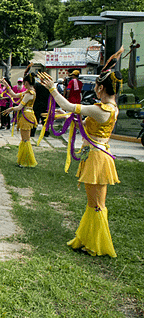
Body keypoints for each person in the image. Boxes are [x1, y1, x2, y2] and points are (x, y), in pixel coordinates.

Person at [39, 49, 123, 258]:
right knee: (92, 203)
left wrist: (52, 88)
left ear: (101, 87)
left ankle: (97, 243)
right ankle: (88, 239)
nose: (94, 88)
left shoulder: (101, 109)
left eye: (95, 85)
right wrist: (60, 116)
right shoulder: (109, 108)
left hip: (97, 158)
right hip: (95, 155)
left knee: (96, 204)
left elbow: (69, 104)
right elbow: (83, 121)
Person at [2, 68, 38, 168]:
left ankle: (26, 161)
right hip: (25, 115)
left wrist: (10, 109)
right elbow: (14, 95)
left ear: (26, 82)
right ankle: (23, 160)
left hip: (26, 116)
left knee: (26, 140)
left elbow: (19, 107)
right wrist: (7, 86)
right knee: (24, 139)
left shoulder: (29, 94)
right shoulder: (28, 92)